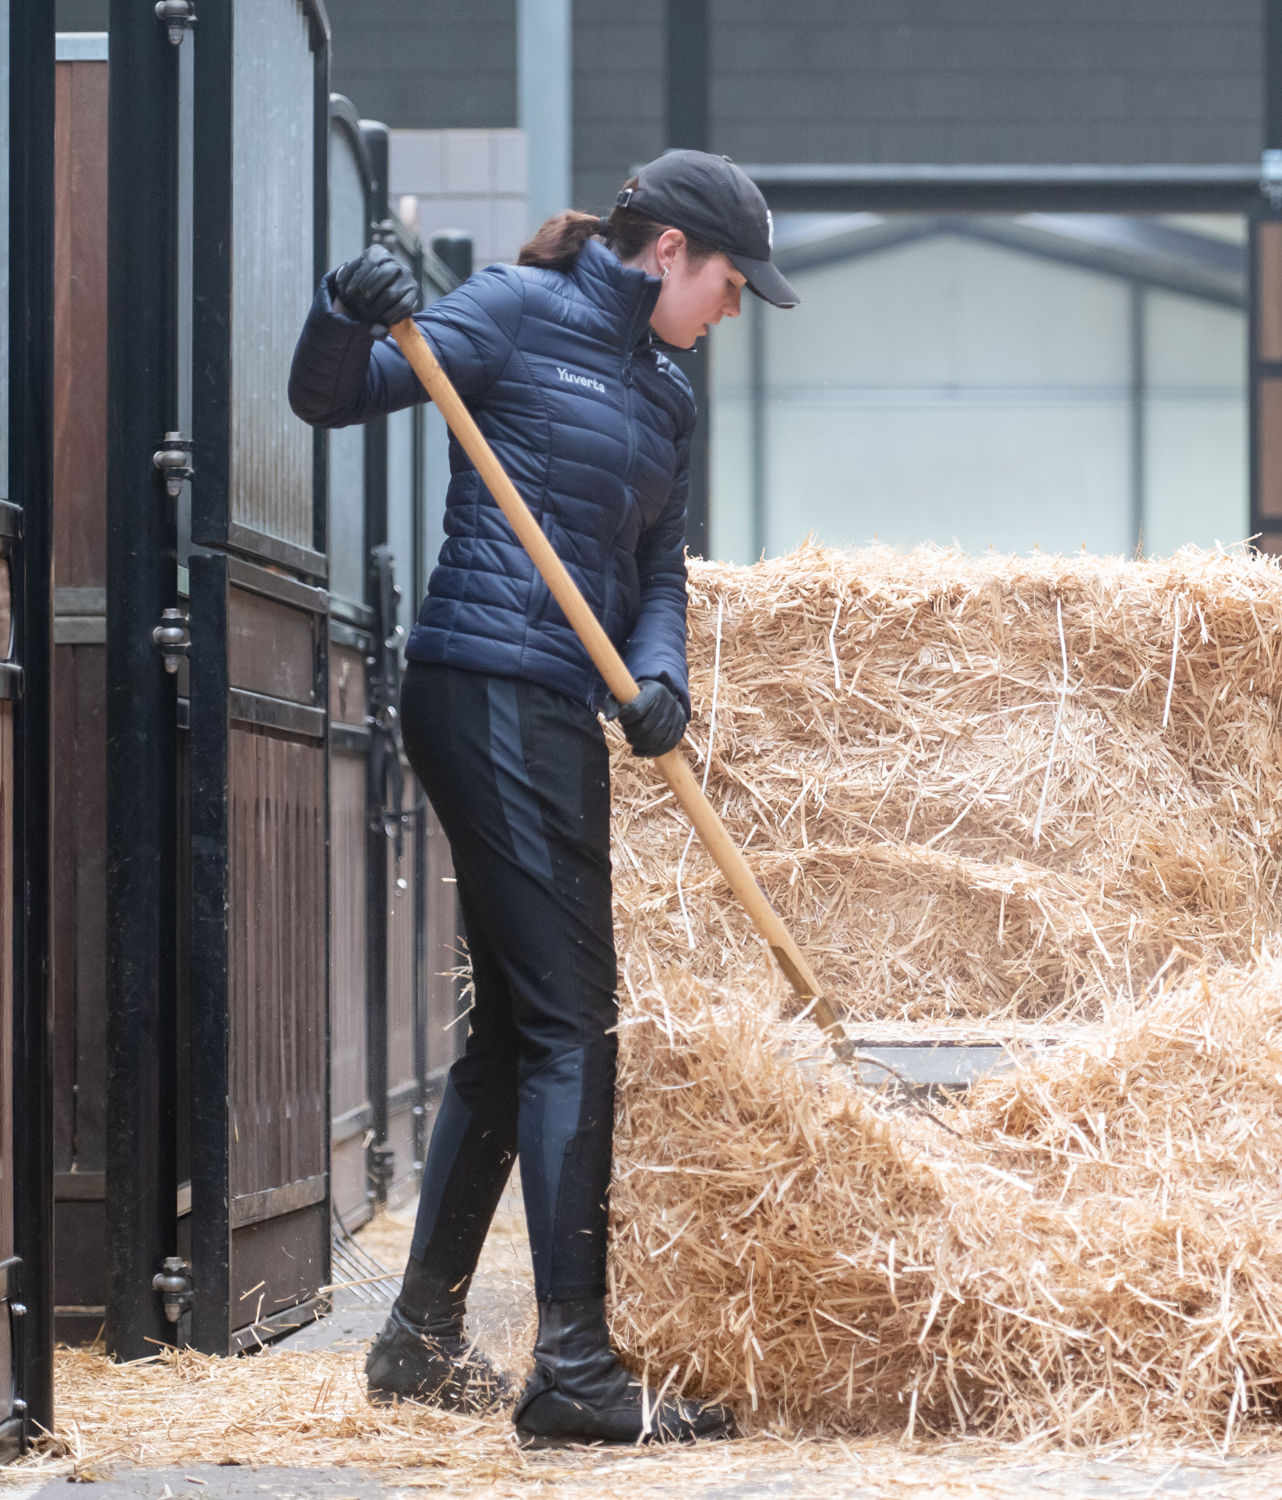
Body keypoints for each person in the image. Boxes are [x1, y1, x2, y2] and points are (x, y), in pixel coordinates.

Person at [287, 151, 798, 1446]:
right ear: (670, 250)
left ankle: (417, 1341)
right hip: (483, 689)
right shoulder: (515, 318)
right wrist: (344, 310)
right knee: (579, 1024)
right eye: (733, 284)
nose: (733, 311)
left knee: (524, 1033)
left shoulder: (665, 394)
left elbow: (658, 572)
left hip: (558, 706)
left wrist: (662, 677)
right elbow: (332, 399)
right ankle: (571, 1367)